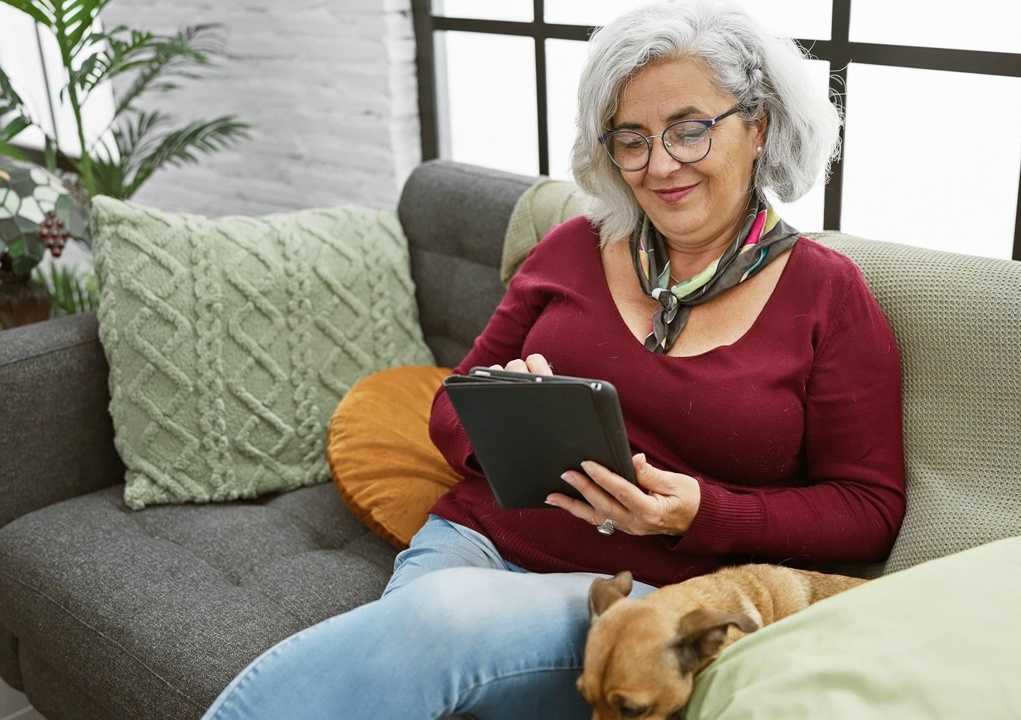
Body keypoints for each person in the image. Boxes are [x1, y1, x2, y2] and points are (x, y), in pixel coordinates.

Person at [202, 1, 904, 717]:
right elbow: (450, 405)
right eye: (631, 140)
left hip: (638, 605)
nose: (660, 165)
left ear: (756, 126)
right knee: (436, 635)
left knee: (436, 626)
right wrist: (502, 411)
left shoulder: (827, 295)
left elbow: (870, 509)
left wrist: (701, 514)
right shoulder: (571, 249)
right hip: (472, 545)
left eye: (689, 131)